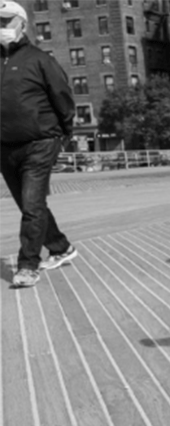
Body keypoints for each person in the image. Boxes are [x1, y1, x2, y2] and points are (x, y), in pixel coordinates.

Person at [0, 1, 78, 287]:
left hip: (41, 143)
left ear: (22, 24)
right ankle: (61, 247)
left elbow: (63, 97)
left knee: (32, 206)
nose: (0, 28)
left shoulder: (40, 60)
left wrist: (64, 134)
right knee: (30, 207)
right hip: (5, 146)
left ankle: (27, 265)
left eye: (5, 21)